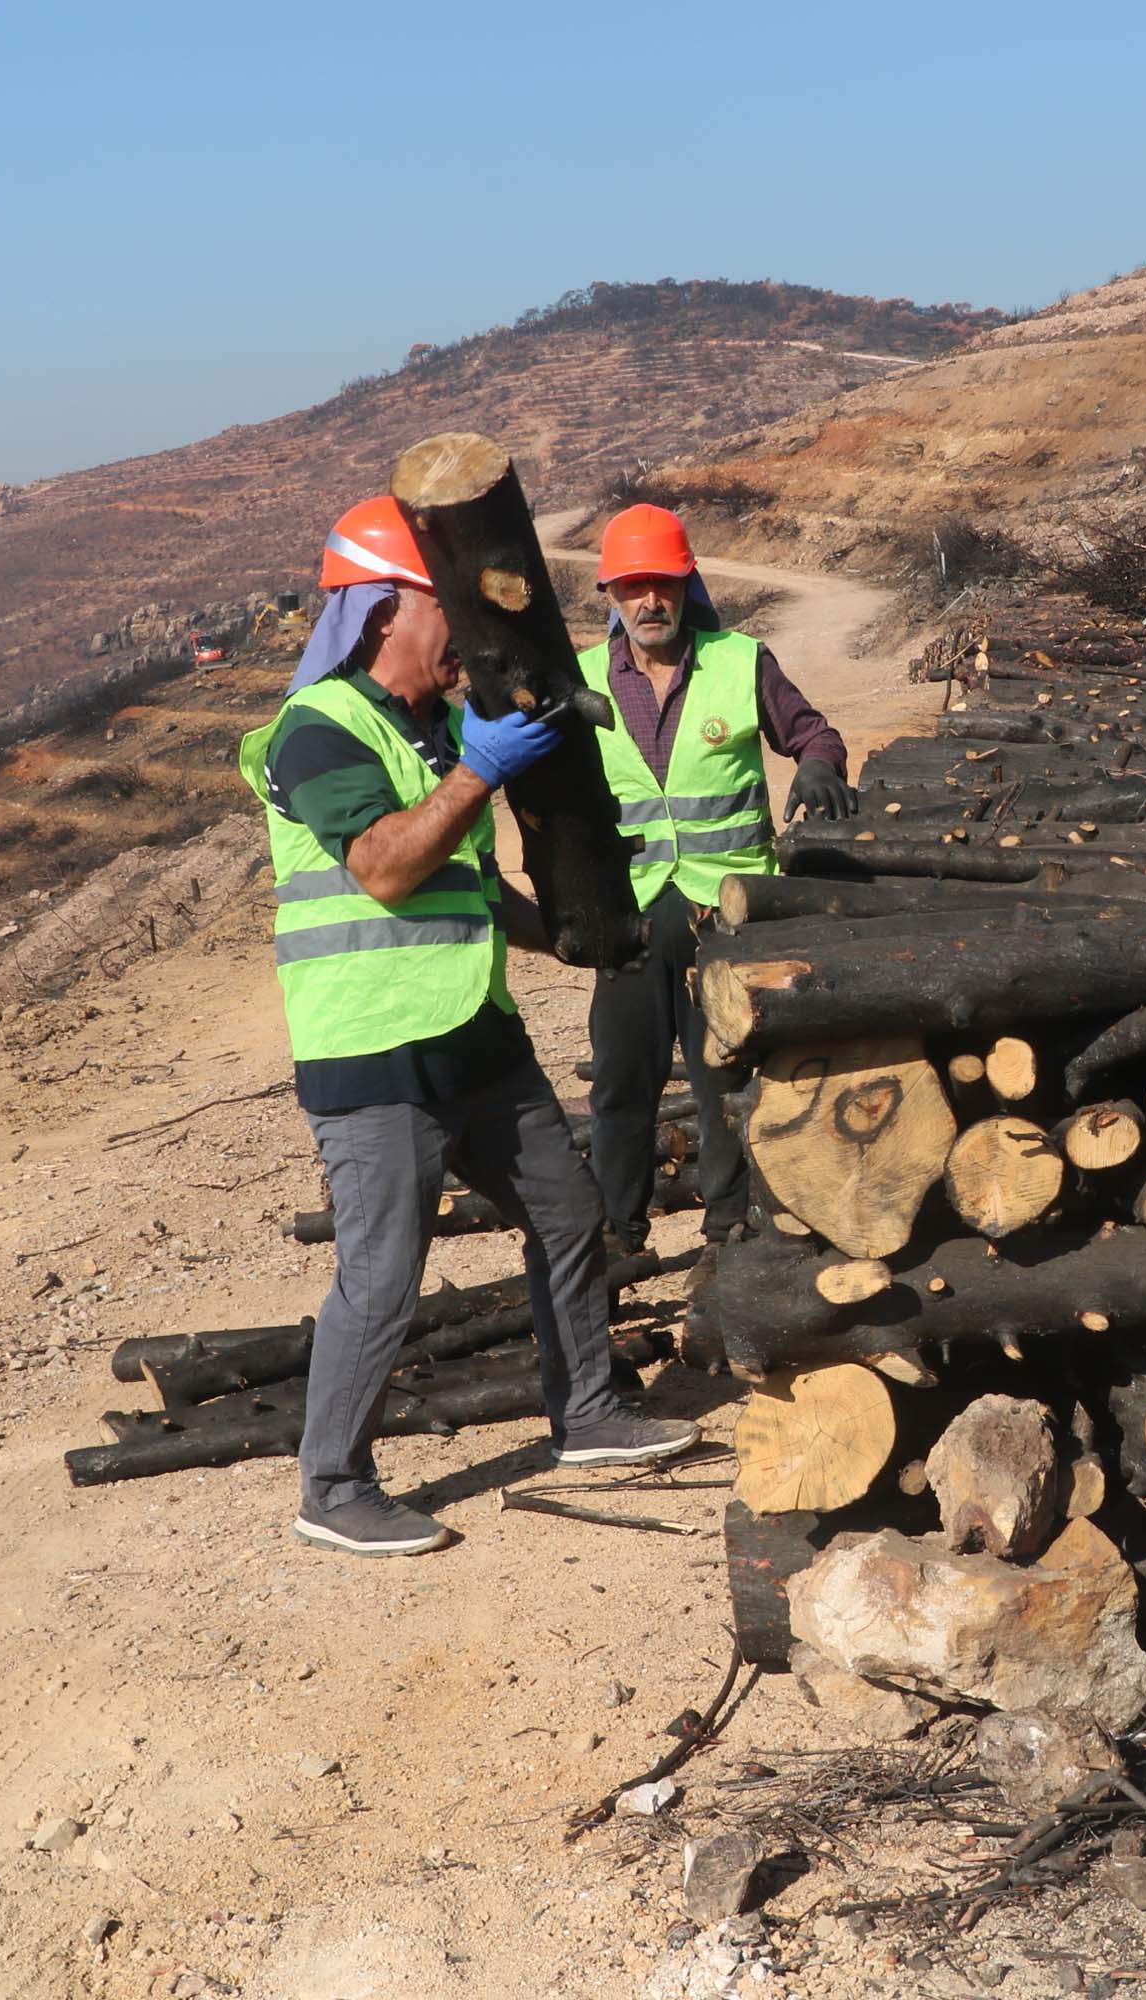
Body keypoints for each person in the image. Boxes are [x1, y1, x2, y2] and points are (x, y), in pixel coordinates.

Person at [239, 496, 697, 1558]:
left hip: (474, 1035)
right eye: (445, 608)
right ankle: (334, 1483)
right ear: (383, 613)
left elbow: (469, 885)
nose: (465, 636)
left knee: (569, 1210)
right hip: (373, 1052)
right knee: (384, 1270)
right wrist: (480, 769)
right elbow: (391, 866)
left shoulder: (432, 728)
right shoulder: (318, 731)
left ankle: (585, 1412)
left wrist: (577, 937)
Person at [581, 504, 854, 1254]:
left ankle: (729, 1230)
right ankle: (619, 1233)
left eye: (663, 584)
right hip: (630, 921)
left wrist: (821, 768)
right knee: (621, 1088)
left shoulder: (740, 662)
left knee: (725, 1087)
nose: (649, 602)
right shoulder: (581, 685)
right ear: (609, 594)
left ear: (686, 583)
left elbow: (811, 732)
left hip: (725, 923)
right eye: (632, 587)